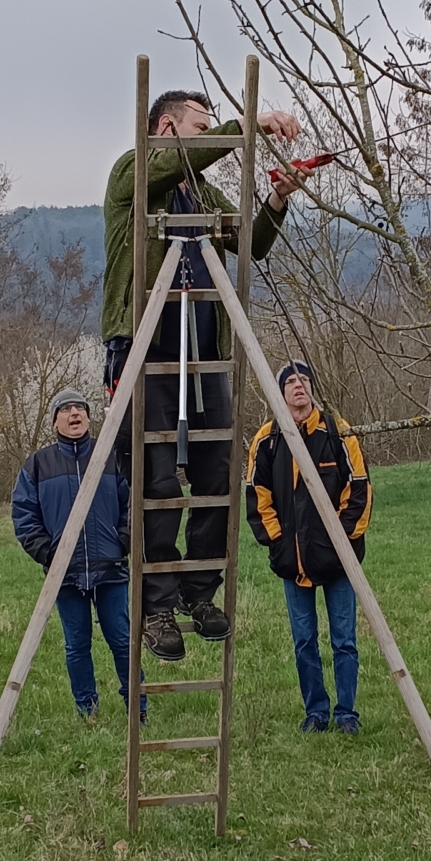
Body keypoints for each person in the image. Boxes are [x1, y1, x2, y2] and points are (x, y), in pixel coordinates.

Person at [101, 88, 302, 660]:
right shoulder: (133, 170)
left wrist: (277, 202)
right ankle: (157, 605)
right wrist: (251, 123)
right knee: (158, 484)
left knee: (217, 475)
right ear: (165, 128)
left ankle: (200, 592)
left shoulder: (201, 190)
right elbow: (169, 163)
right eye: (199, 125)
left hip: (204, 346)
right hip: (146, 343)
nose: (209, 134)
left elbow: (251, 245)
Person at [245, 360, 371, 732]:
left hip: (339, 560)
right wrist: (281, 545)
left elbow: (360, 490)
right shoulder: (267, 440)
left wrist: (341, 543)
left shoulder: (339, 432)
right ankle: (316, 711)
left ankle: (347, 713)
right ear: (281, 393)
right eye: (291, 383)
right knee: (304, 641)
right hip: (292, 561)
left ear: (313, 389)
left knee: (344, 640)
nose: (299, 387)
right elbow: (258, 498)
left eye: (305, 381)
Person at [11, 387, 131, 715]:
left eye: (80, 408)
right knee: (77, 645)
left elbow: (131, 503)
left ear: (89, 418)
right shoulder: (38, 465)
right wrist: (49, 554)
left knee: (122, 641)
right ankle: (87, 710)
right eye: (66, 409)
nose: (74, 413)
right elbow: (24, 516)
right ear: (55, 422)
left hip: (111, 569)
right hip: (64, 574)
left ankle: (137, 706)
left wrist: (123, 538)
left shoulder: (111, 456)